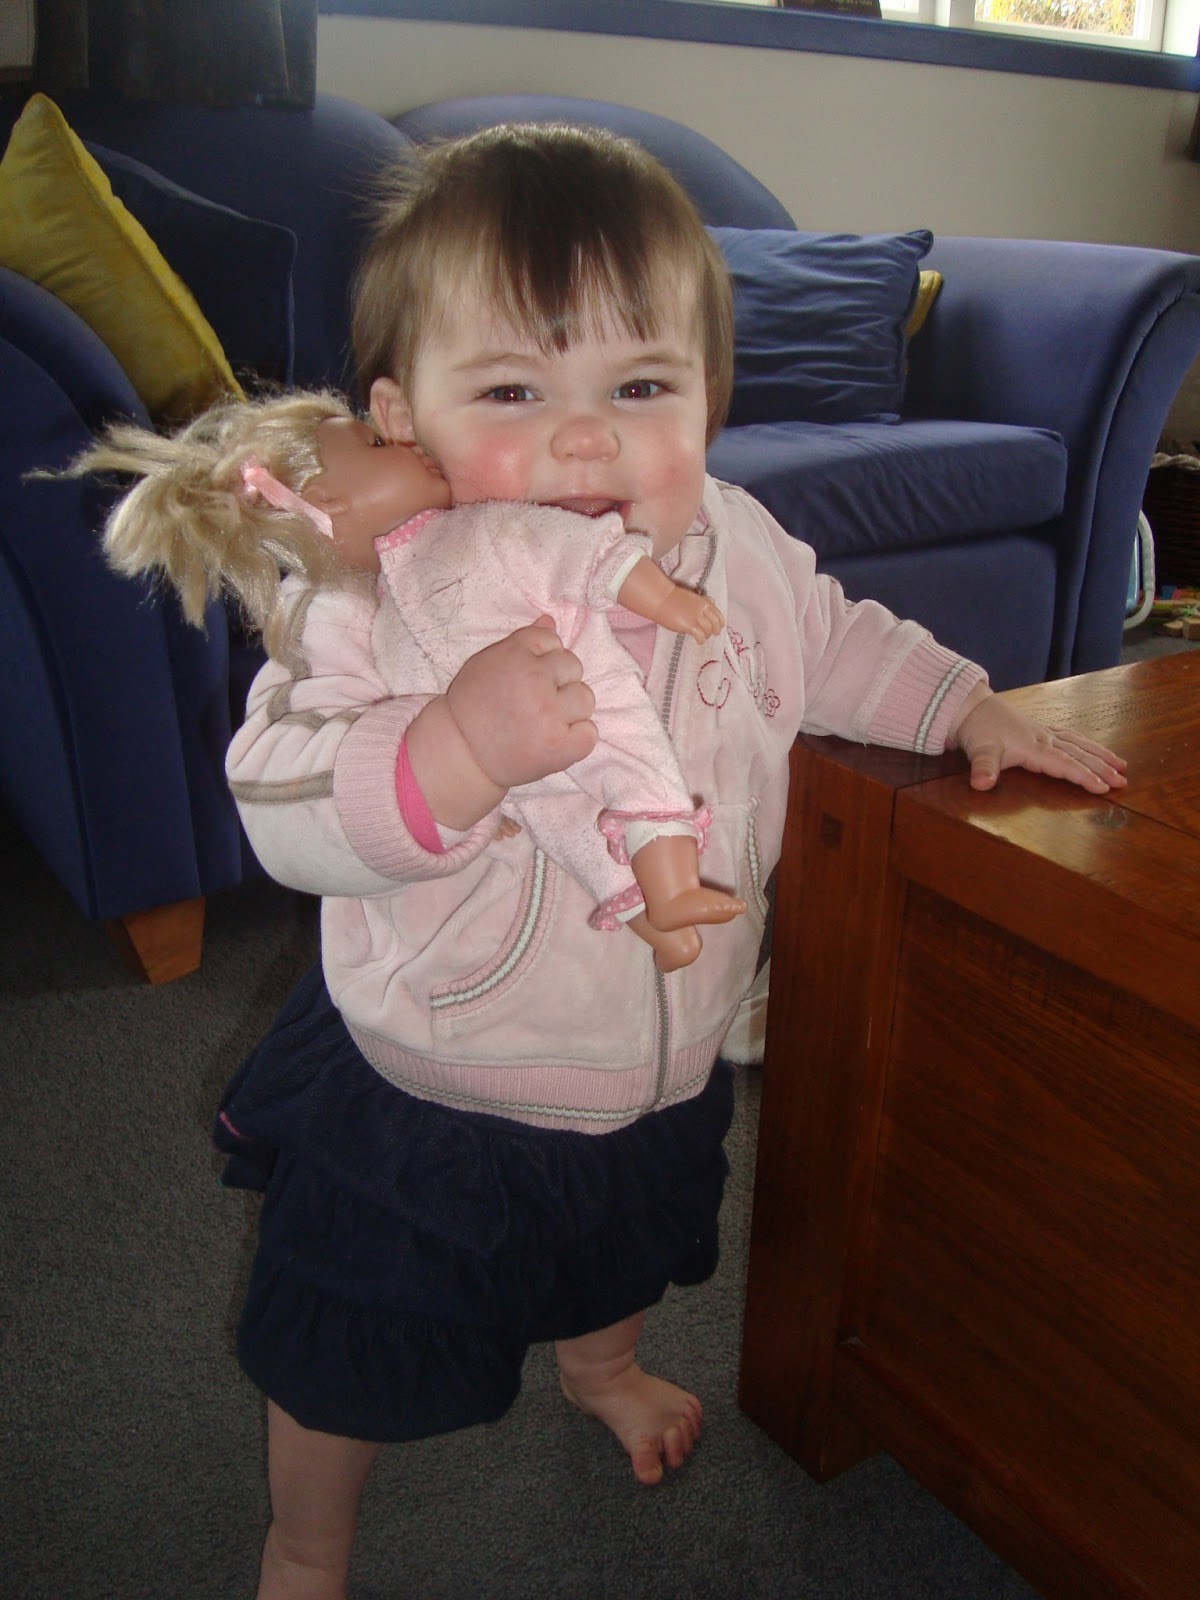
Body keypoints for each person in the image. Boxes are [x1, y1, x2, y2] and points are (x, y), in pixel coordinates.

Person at [207, 124, 1126, 1599]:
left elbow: (835, 642)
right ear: (400, 418)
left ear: (710, 396)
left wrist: (964, 704)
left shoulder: (737, 547)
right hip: (434, 1085)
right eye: (513, 391)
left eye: (640, 388)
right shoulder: (378, 596)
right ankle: (306, 1544)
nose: (587, 440)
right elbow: (279, 789)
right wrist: (448, 750)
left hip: (666, 1049)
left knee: (624, 1243)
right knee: (351, 1341)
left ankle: (602, 1369)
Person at [72, 390, 745, 968]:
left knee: (620, 788)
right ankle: (654, 908)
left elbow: (571, 550)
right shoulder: (339, 613)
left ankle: (667, 913)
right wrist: (459, 758)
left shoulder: (706, 528)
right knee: (581, 823)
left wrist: (667, 597)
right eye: (374, 442)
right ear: (327, 501)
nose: (406, 442)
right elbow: (274, 797)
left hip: (692, 1038)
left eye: (640, 387)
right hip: (450, 1026)